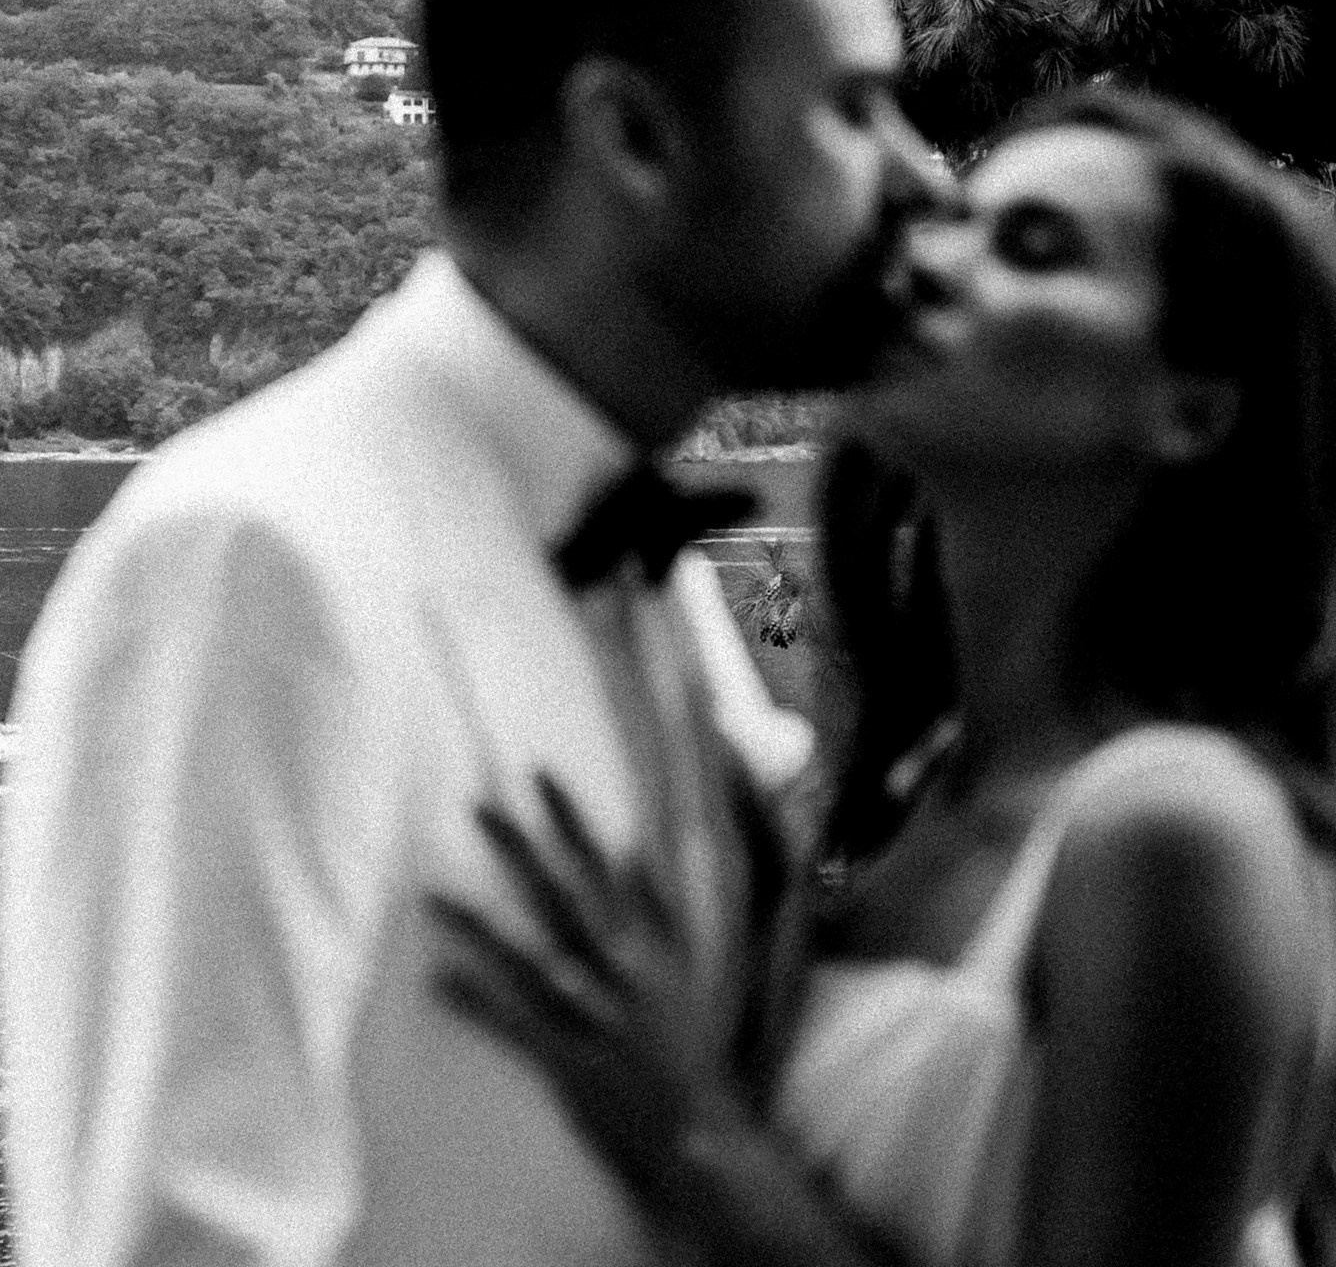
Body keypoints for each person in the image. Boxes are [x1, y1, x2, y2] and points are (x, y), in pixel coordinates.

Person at [0, 0, 949, 1267]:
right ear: (630, 135)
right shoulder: (253, 565)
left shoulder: (640, 560)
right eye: (852, 108)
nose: (925, 177)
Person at [437, 86, 1336, 1267]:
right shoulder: (892, 785)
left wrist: (689, 1133)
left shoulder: (1170, 827)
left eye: (1031, 246)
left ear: (1191, 409)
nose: (924, 266)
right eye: (952, 220)